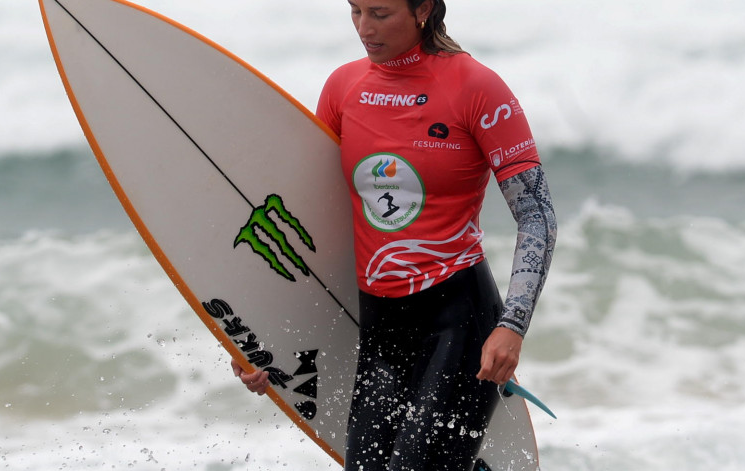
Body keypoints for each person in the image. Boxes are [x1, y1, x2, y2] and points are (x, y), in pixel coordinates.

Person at [232, 0, 557, 469]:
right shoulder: (344, 88)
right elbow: (310, 225)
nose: (365, 27)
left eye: (381, 13)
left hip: (459, 321)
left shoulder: (476, 88)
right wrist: (256, 339)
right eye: (355, 10)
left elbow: (537, 215)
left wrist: (513, 326)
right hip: (380, 328)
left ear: (423, 8)